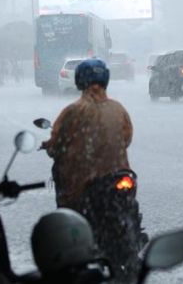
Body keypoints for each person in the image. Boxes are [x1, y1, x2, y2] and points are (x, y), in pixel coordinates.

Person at [40, 58, 133, 209]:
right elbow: (127, 139)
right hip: (118, 177)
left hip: (81, 185)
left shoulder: (73, 111)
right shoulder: (118, 109)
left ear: (79, 80)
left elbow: (56, 144)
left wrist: (50, 146)